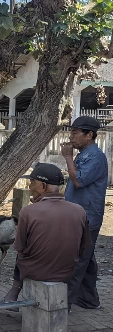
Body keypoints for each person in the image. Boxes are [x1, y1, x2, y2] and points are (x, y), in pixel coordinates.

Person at [2, 163, 92, 306]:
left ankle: (14, 291)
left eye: (32, 182)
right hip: (67, 272)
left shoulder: (28, 212)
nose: (29, 187)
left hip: (37, 272)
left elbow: (20, 247)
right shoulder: (79, 210)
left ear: (43, 186)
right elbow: (85, 247)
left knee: (21, 254)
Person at [61, 116, 108, 310]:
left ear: (89, 135)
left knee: (77, 259)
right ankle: (89, 299)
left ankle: (64, 303)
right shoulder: (84, 154)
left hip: (87, 216)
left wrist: (68, 158)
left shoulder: (96, 156)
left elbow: (79, 181)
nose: (71, 136)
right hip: (77, 214)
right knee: (85, 257)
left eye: (75, 132)